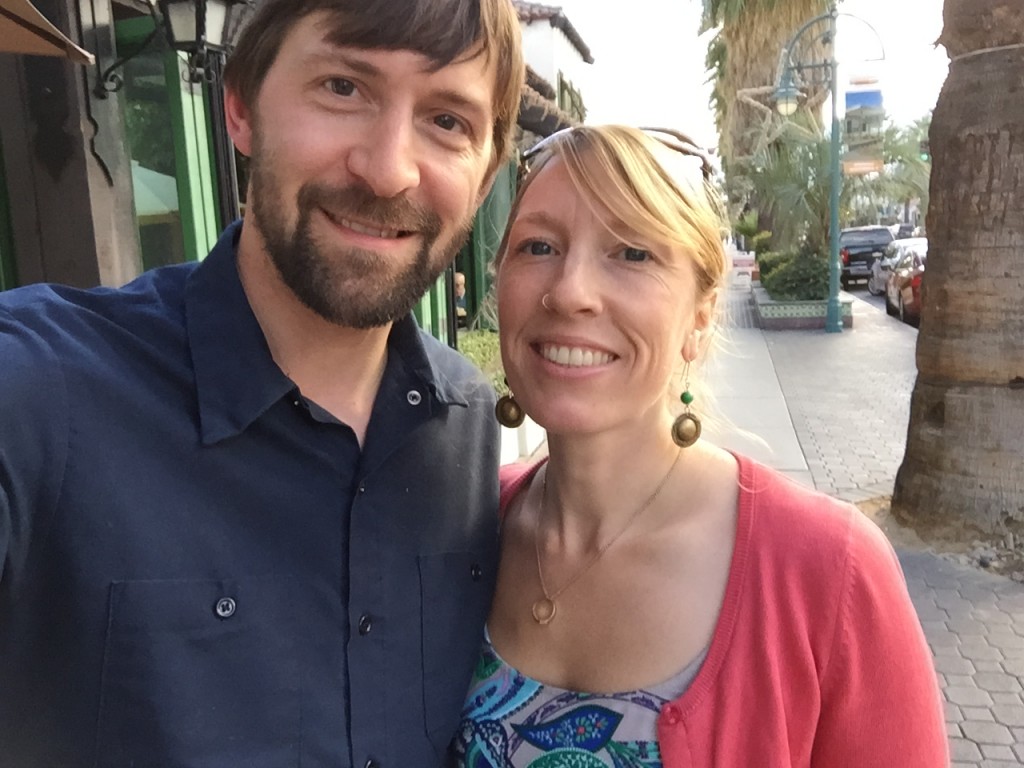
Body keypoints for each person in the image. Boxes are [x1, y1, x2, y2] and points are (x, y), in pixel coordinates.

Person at [0, 1, 524, 765]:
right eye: (344, 87)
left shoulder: (466, 424)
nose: (387, 169)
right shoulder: (46, 391)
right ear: (241, 109)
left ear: (483, 183)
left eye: (448, 121)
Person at [452, 126, 948, 766]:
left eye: (632, 253)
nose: (570, 290)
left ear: (701, 315)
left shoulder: (831, 571)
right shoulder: (461, 529)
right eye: (539, 246)